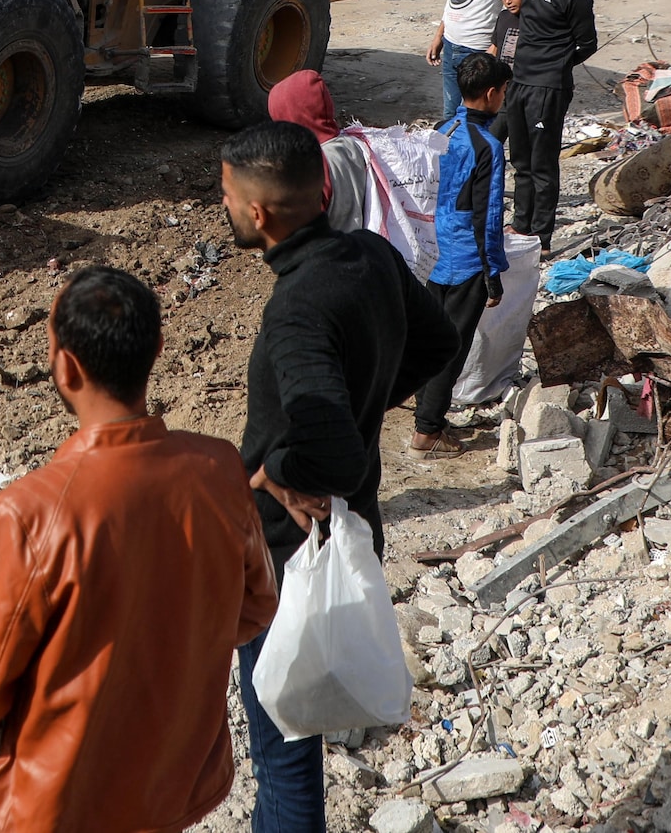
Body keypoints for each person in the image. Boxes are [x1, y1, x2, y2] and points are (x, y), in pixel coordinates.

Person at [0, 266, 276, 833]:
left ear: (65, 367)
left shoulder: (30, 512)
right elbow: (255, 607)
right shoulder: (218, 469)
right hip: (170, 788)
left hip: (54, 805)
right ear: (158, 349)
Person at [223, 122, 462, 833]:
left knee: (285, 752)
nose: (224, 204)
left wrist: (279, 468)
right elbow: (439, 341)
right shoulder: (369, 253)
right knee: (295, 740)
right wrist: (369, 397)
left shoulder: (296, 308)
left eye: (227, 194)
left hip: (285, 559)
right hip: (346, 533)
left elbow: (334, 452)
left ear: (259, 212)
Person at [412, 53, 511, 456]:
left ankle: (423, 407)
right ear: (489, 94)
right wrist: (493, 272)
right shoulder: (487, 146)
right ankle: (427, 432)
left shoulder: (442, 128)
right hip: (466, 258)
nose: (504, 98)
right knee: (451, 347)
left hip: (432, 251)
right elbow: (487, 215)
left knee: (426, 338)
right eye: (503, 92)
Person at [507, 0, 597, 255]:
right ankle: (520, 223)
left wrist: (556, 65)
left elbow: (587, 43)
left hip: (548, 89)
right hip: (518, 82)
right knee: (520, 162)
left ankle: (540, 238)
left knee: (543, 164)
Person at [268, 69, 372, 232]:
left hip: (331, 250)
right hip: (359, 244)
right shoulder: (351, 144)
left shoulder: (312, 164)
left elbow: (302, 228)